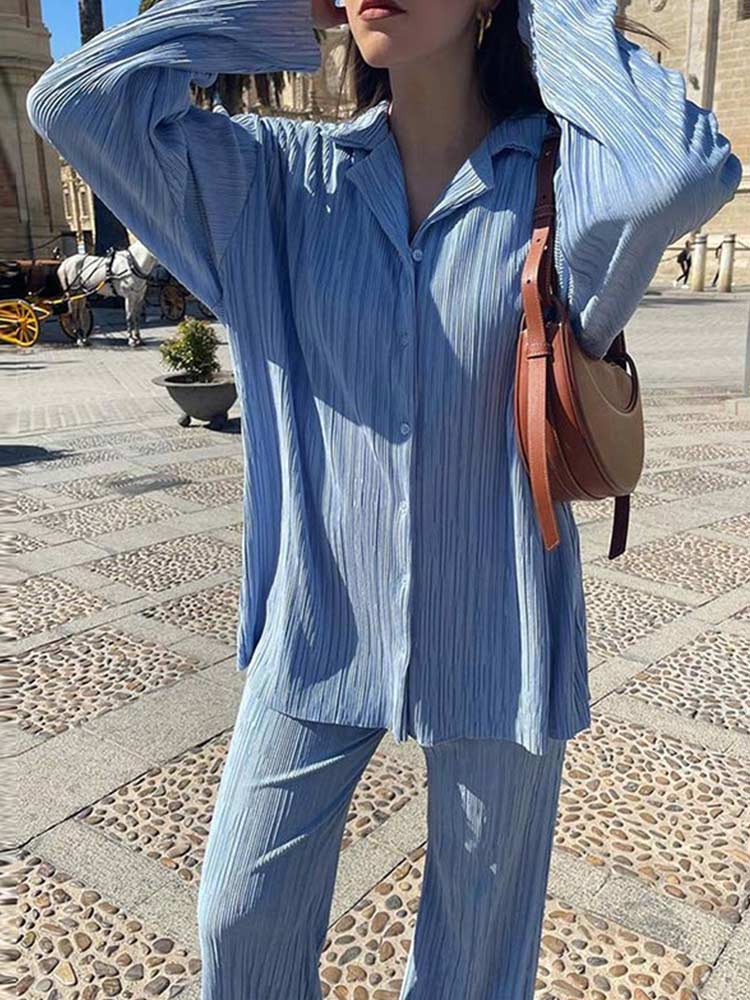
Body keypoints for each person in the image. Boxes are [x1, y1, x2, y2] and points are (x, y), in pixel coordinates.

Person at [27, 1, 741, 996]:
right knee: (240, 918)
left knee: (474, 967)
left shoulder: (558, 185)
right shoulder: (280, 180)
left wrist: (545, 12)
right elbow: (73, 101)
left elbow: (685, 169)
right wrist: (284, 9)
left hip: (499, 633)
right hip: (317, 622)